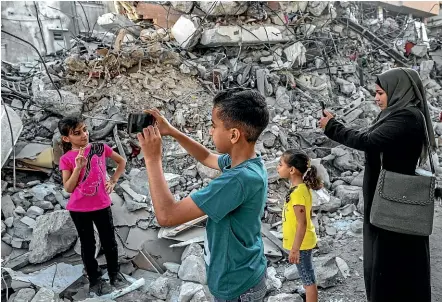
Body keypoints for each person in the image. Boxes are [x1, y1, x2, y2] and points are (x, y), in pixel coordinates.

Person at [137, 89, 270, 301]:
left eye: (214, 126)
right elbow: (207, 157)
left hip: (236, 287)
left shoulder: (237, 180)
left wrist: (152, 159)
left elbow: (167, 215)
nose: (210, 131)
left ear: (234, 135)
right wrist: (172, 131)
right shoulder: (248, 164)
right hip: (246, 272)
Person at [319, 68, 436, 302]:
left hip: (395, 204)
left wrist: (332, 127)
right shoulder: (397, 115)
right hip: (390, 199)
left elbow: (369, 140)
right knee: (387, 264)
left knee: (393, 265)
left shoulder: (408, 117)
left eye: (381, 92)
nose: (376, 98)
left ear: (397, 91)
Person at [58, 117, 127, 296]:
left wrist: (112, 181)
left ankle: (115, 275)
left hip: (101, 204)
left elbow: (122, 162)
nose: (84, 135)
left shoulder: (99, 148)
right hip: (79, 209)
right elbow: (68, 188)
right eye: (77, 133)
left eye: (85, 130)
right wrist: (78, 168)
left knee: (109, 242)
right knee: (88, 245)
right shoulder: (67, 158)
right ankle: (95, 280)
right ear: (66, 138)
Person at [277, 150, 320, 302]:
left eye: (280, 164)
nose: (277, 167)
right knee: (307, 277)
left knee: (308, 280)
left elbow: (302, 223)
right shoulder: (299, 189)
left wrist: (295, 250)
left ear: (292, 170)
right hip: (302, 243)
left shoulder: (297, 193)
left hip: (301, 245)